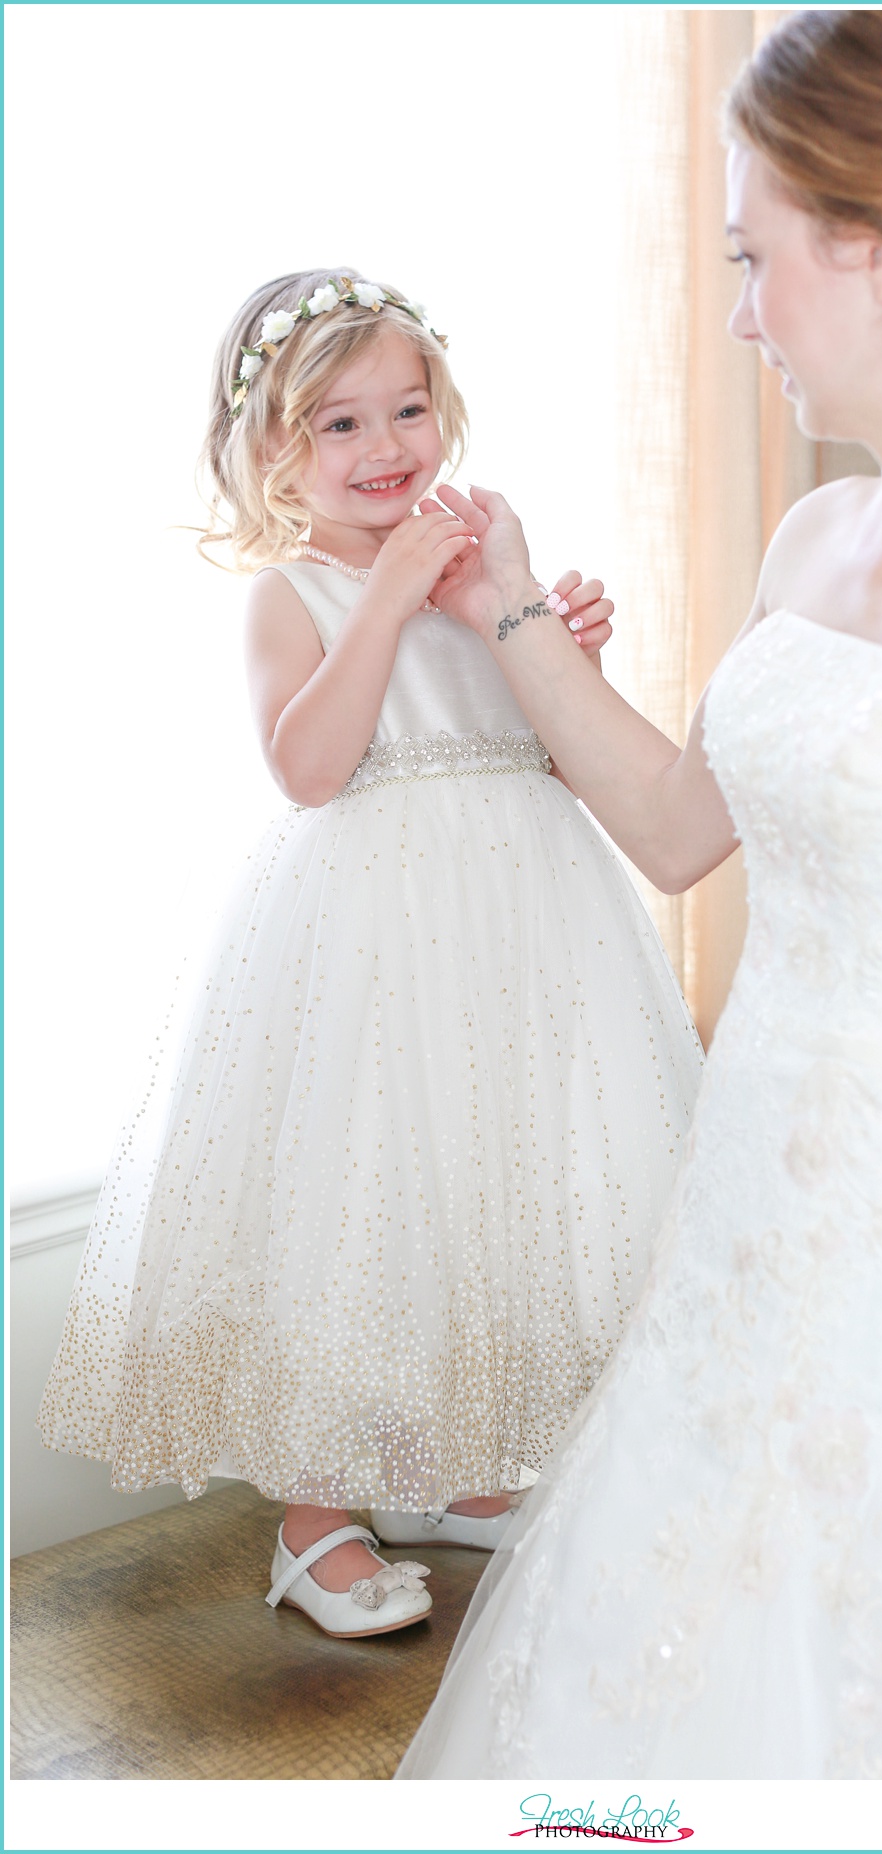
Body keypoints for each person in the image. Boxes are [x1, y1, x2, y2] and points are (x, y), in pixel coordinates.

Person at [397, 11, 882, 1775]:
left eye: (756, 260)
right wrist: (509, 606)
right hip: (730, 1274)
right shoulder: (815, 540)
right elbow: (683, 824)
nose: (742, 311)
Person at [37, 270, 702, 1640]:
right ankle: (312, 1509)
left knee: (492, 1181)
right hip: (368, 950)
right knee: (360, 1202)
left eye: (406, 409)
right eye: (337, 425)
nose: (386, 447)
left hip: (521, 938)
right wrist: (391, 598)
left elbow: (565, 761)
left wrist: (538, 636)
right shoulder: (295, 596)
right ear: (271, 449)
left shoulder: (469, 574)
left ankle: (448, 1472)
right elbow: (312, 767)